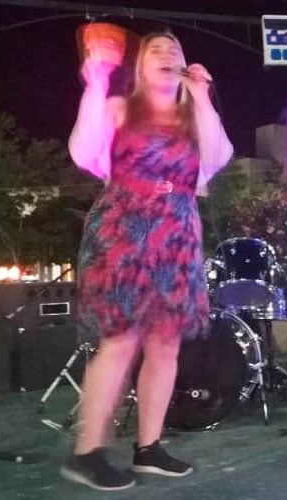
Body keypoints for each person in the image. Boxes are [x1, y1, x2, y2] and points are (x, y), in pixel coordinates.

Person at [62, 30, 233, 491]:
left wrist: (201, 96)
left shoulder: (193, 116)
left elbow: (216, 160)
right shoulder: (120, 109)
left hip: (176, 233)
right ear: (139, 67)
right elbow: (83, 151)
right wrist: (96, 83)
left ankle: (149, 448)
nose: (166, 54)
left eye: (174, 49)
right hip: (125, 226)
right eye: (155, 49)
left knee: (165, 343)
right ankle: (87, 453)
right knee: (121, 339)